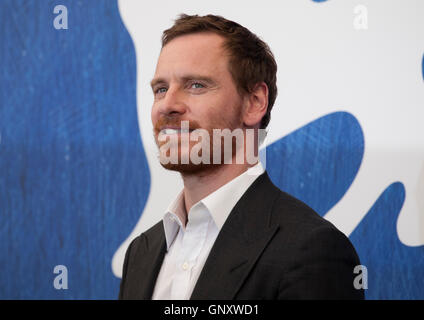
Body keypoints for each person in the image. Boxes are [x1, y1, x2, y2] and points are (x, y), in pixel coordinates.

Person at [118, 14, 364, 300]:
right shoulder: (141, 252)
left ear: (255, 103)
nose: (167, 105)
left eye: (196, 85)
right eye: (160, 89)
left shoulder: (312, 249)